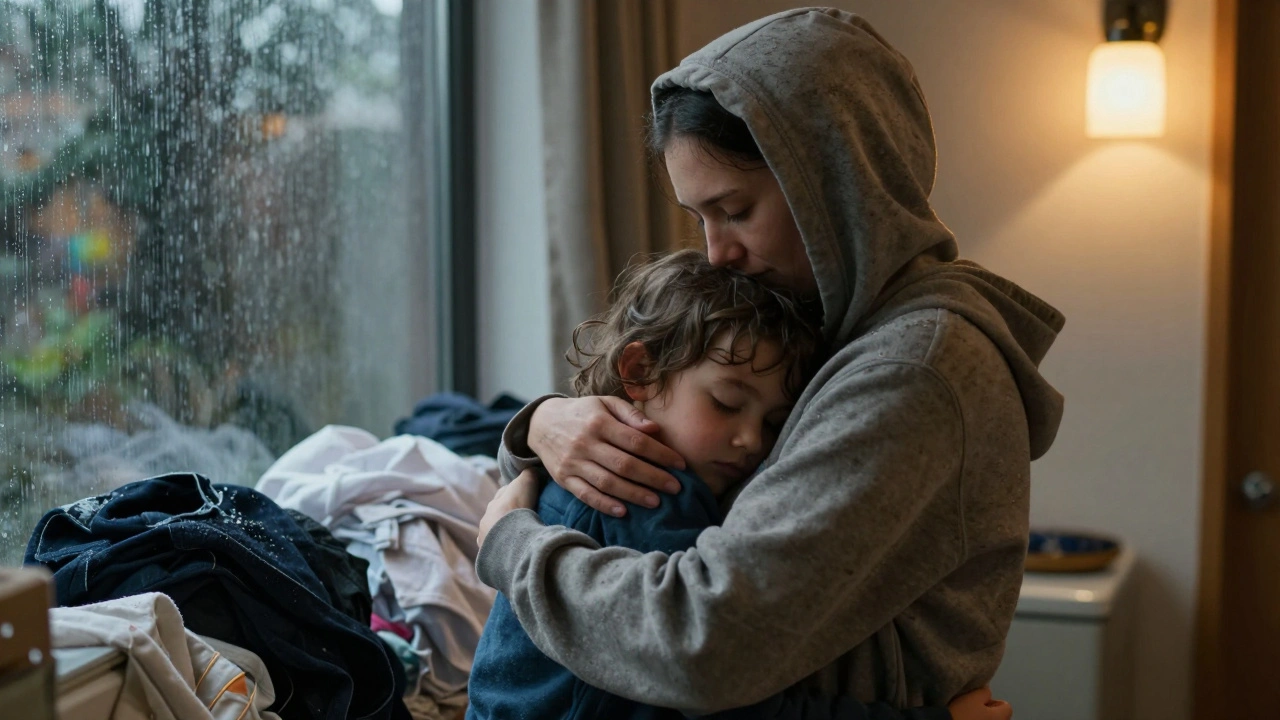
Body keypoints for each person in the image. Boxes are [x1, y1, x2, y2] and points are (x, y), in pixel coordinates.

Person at [477, 7, 1064, 714]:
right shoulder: (836, 333)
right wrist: (545, 426)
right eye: (700, 219)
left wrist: (511, 546)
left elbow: (704, 642)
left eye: (734, 209)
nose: (717, 252)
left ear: (835, 185)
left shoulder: (911, 371)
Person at [468, 250, 1010, 720]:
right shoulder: (648, 494)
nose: (750, 439)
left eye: (774, 423)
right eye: (726, 403)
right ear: (639, 371)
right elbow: (733, 706)